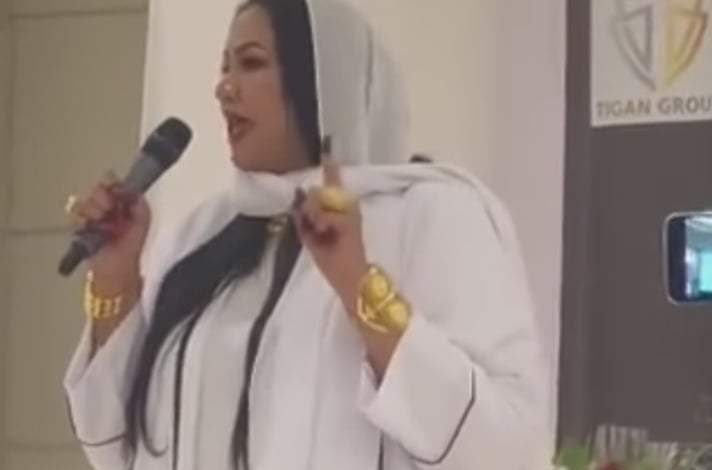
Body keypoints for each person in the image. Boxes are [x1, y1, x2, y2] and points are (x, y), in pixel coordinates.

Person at [63, 0, 549, 468]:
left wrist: (359, 286)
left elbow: (505, 451)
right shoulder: (201, 233)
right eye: (224, 68)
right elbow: (115, 449)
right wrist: (115, 279)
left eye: (251, 63)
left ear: (321, 80)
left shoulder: (431, 214)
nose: (224, 88)